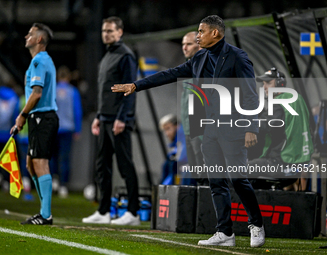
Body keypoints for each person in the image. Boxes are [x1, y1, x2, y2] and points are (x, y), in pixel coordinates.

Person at [112, 15, 265, 247]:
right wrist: (137, 85)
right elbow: (169, 74)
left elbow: (251, 95)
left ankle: (256, 224)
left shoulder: (237, 57)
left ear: (216, 33)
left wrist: (251, 128)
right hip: (210, 130)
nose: (197, 35)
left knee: (238, 179)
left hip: (234, 128)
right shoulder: (199, 57)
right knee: (216, 181)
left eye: (201, 31)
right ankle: (225, 233)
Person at [82, 16, 139, 226]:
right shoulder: (107, 56)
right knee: (102, 167)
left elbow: (130, 90)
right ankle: (104, 210)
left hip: (118, 121)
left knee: (125, 165)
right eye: (104, 31)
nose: (106, 34)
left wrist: (122, 118)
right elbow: (104, 92)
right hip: (105, 119)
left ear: (120, 32)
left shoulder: (126, 56)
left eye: (110, 31)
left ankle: (132, 212)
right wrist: (98, 116)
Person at [11, 23, 59, 225]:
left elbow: (36, 94)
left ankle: (45, 214)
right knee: (31, 164)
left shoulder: (39, 61)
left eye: (30, 34)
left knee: (39, 163)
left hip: (42, 117)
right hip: (40, 118)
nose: (26, 36)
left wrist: (22, 115)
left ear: (39, 39)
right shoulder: (40, 61)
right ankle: (43, 211)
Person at [248, 68, 313, 189]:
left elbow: (269, 125)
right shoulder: (297, 99)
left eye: (268, 83)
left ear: (280, 84)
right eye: (263, 84)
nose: (265, 87)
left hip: (280, 162)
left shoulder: (278, 103)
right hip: (297, 164)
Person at [180, 31, 208, 186]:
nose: (184, 48)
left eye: (189, 44)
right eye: (183, 44)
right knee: (197, 173)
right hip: (189, 131)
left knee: (206, 173)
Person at [50, 65, 82, 198]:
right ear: (68, 77)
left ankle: (53, 180)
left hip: (53, 128)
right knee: (65, 157)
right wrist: (78, 129)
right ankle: (63, 185)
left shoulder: (52, 90)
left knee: (52, 156)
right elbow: (77, 111)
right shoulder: (73, 91)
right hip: (68, 128)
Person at [0, 82, 19, 190]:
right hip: (8, 134)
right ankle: (6, 182)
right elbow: (15, 117)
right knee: (8, 160)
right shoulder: (14, 99)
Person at [159, 114, 190, 185]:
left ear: (177, 126)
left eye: (168, 128)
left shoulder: (184, 135)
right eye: (165, 130)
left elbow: (183, 157)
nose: (167, 133)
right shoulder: (178, 140)